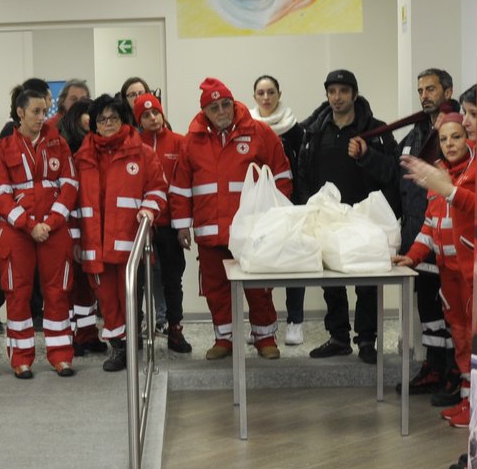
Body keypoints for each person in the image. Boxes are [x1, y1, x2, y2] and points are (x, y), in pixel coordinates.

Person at [169, 78, 292, 361]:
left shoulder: (260, 132)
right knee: (215, 289)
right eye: (214, 107)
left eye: (226, 104)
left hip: (252, 233)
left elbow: (282, 175)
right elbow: (180, 186)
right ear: (204, 112)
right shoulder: (191, 142)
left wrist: (277, 216)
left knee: (259, 288)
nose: (222, 111)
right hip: (210, 233)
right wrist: (181, 225)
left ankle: (265, 338)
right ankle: (224, 339)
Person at [289, 68, 398, 363]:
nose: (337, 97)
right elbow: (303, 175)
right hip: (326, 219)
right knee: (330, 281)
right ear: (326, 95)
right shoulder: (313, 132)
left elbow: (393, 172)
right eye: (332, 91)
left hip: (364, 219)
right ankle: (338, 337)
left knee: (367, 282)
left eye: (343, 91)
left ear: (354, 94)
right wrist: (305, 210)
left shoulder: (376, 131)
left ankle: (366, 341)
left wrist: (366, 156)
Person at [359, 67, 454, 393]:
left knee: (450, 310)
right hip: (419, 236)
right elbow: (394, 172)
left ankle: (453, 373)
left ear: (448, 91)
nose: (425, 96)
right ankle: (434, 367)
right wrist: (366, 156)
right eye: (421, 91)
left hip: (448, 239)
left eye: (431, 89)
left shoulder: (452, 132)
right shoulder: (415, 134)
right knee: (428, 308)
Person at [394, 112, 477, 427]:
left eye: (456, 136)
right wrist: (412, 258)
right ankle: (467, 399)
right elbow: (429, 226)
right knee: (459, 336)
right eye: (444, 139)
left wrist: (449, 190)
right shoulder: (438, 175)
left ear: (467, 138)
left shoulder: (476, 171)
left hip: (470, 274)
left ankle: (476, 404)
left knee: (472, 337)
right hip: (448, 274)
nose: (450, 144)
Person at [0, 86, 78, 378]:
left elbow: (69, 187)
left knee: (58, 293)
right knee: (17, 294)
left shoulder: (59, 144)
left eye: (44, 111)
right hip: (18, 233)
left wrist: (50, 223)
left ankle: (61, 355)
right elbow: (0, 196)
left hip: (54, 230)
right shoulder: (2, 149)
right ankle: (21, 358)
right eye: (36, 112)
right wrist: (30, 225)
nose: (42, 117)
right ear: (20, 113)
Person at [75, 95, 168, 372]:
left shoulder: (142, 153)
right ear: (93, 124)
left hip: (128, 241)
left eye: (113, 118)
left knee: (127, 295)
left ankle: (131, 341)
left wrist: (148, 210)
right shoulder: (82, 157)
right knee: (106, 298)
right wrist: (75, 241)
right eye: (102, 120)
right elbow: (74, 200)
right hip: (94, 241)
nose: (108, 124)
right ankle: (118, 347)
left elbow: (157, 188)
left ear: (122, 120)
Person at [249, 75, 307, 345]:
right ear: (254, 97)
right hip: (258, 207)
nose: (266, 98)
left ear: (279, 93)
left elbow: (303, 167)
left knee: (293, 263)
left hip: (290, 203)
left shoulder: (294, 128)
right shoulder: (247, 128)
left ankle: (295, 321)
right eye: (260, 93)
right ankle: (262, 324)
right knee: (261, 264)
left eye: (271, 92)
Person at [134, 93, 191, 354]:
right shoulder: (133, 145)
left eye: (155, 112)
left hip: (168, 223)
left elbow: (182, 187)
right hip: (141, 225)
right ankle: (135, 330)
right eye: (146, 115)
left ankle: (175, 329)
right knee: (137, 280)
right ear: (139, 120)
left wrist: (182, 225)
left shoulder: (179, 142)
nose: (152, 118)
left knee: (172, 279)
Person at [55, 97, 105, 357]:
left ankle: (87, 334)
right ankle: (70, 336)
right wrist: (74, 238)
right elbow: (69, 196)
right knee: (69, 288)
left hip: (92, 230)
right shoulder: (67, 149)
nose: (92, 119)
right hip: (69, 229)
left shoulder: (98, 147)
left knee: (88, 289)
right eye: (87, 114)